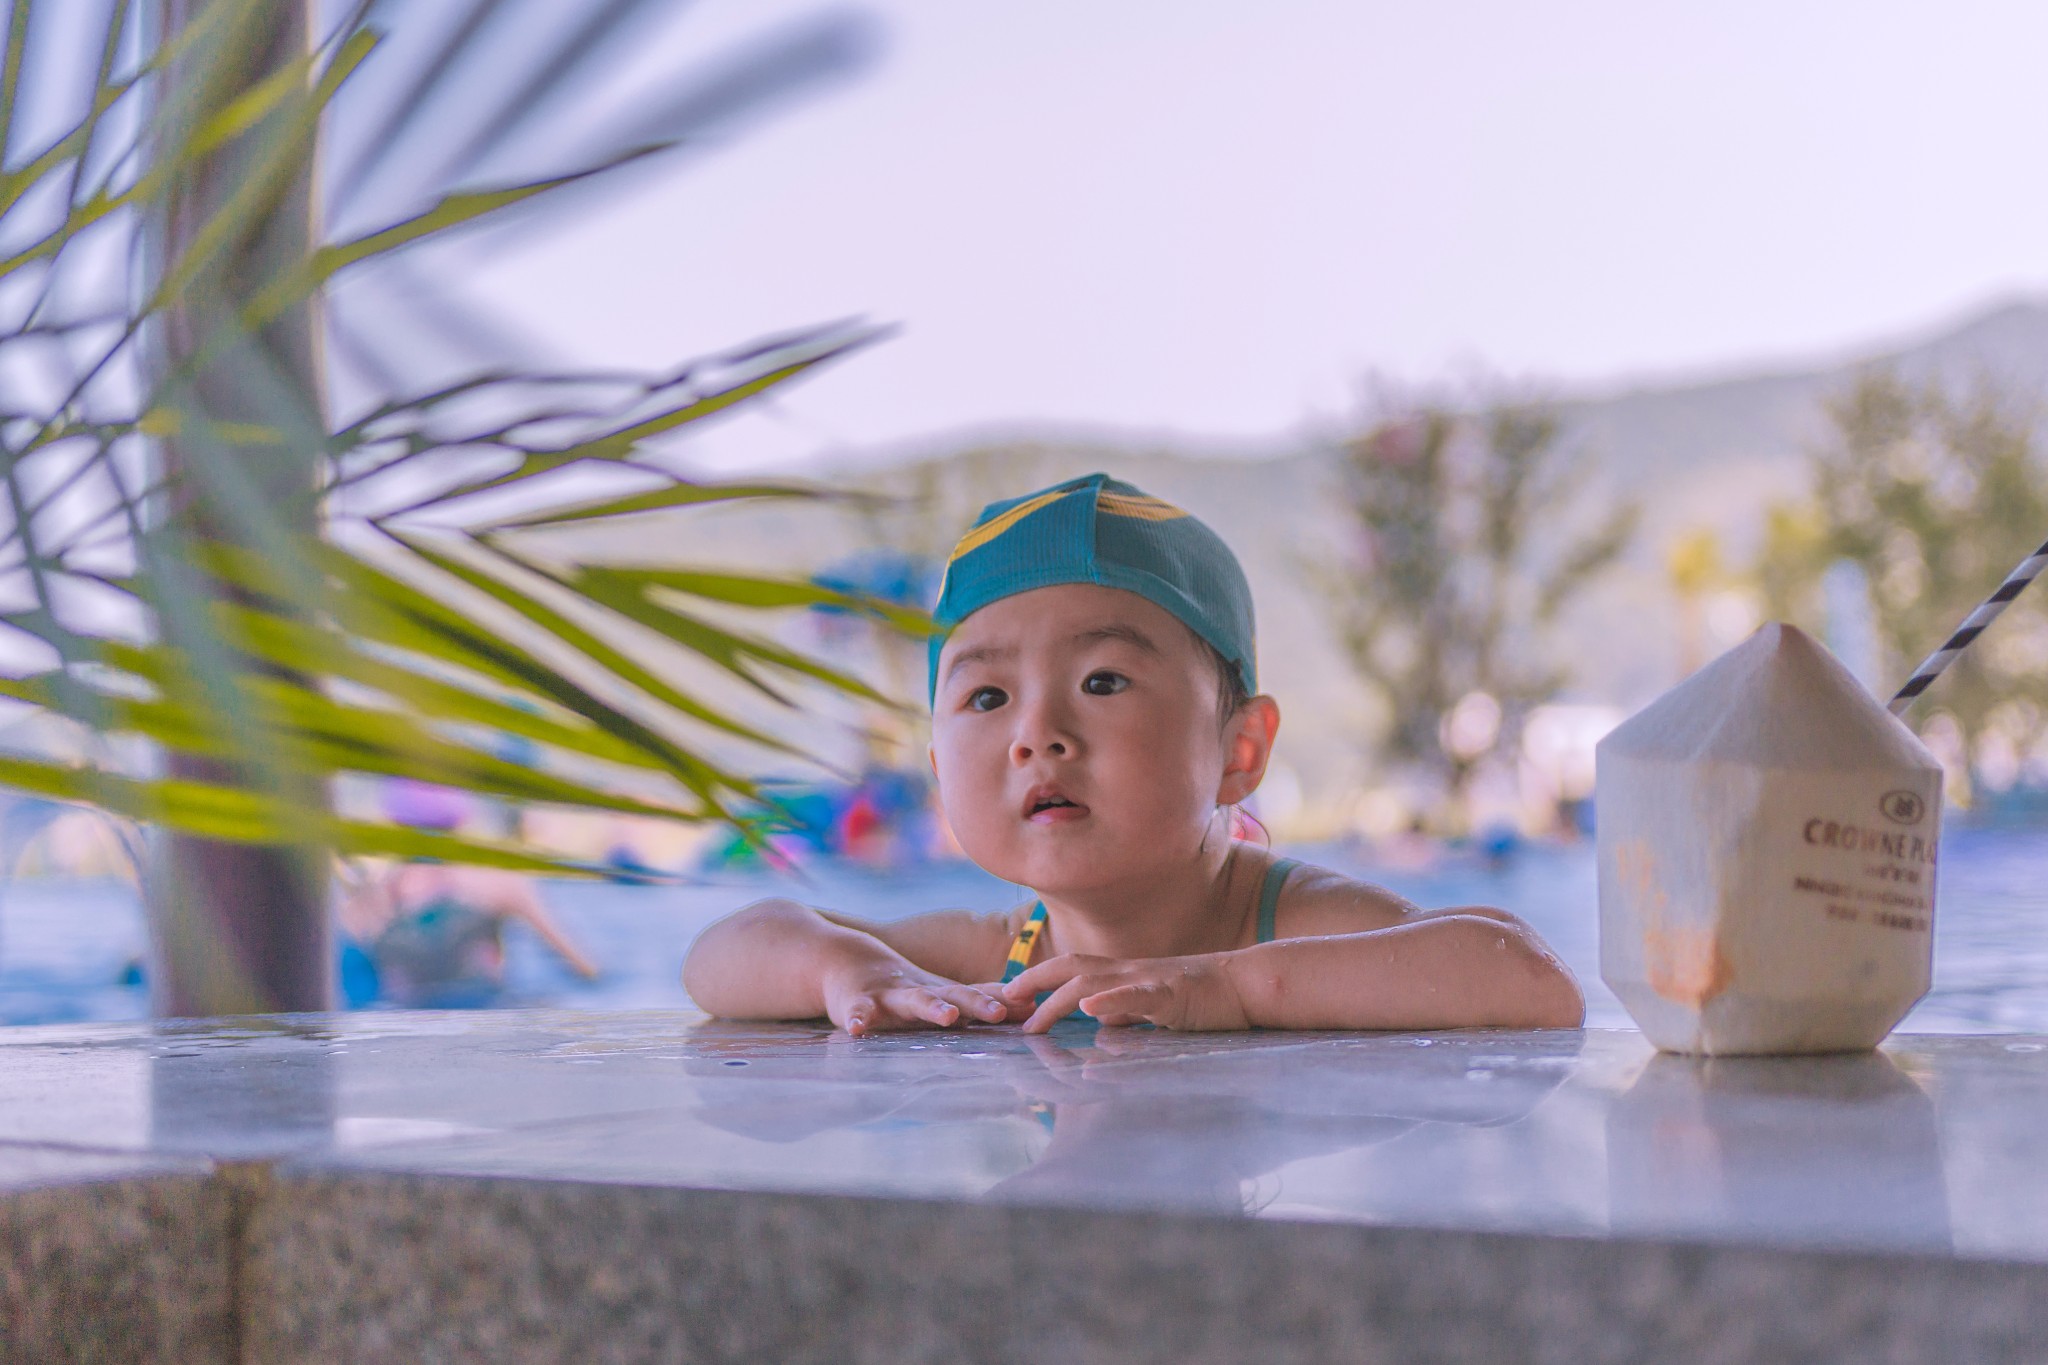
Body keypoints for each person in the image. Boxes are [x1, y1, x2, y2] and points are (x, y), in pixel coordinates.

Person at [683, 473, 1583, 1036]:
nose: (1037, 732)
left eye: (1103, 680)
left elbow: (1526, 976)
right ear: (936, 763)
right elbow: (719, 955)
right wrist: (844, 965)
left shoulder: (1285, 921)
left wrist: (1231, 989)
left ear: (1239, 748)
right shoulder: (996, 956)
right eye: (988, 697)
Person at [340, 781, 601, 1008]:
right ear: (462, 816)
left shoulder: (372, 896)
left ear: (393, 821)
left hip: (402, 1025)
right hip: (484, 1020)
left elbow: (350, 983)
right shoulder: (497, 880)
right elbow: (581, 966)